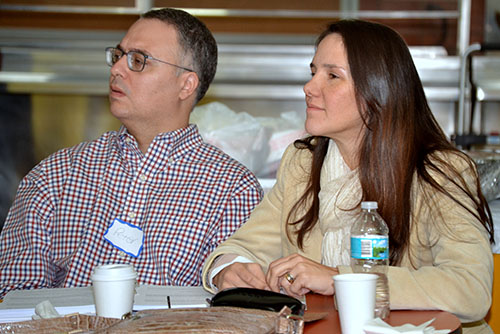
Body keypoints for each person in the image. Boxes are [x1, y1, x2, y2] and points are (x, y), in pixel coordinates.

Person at [202, 19, 494, 333]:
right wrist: (228, 270)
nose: (309, 87)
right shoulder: (301, 163)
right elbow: (245, 247)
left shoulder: (439, 171)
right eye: (313, 72)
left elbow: (471, 288)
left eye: (332, 76)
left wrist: (340, 279)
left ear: (378, 91)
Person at [0, 8, 263, 299]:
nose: (117, 69)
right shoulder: (56, 174)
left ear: (186, 85)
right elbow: (13, 302)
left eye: (138, 60)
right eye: (118, 55)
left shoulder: (232, 189)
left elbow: (231, 313)